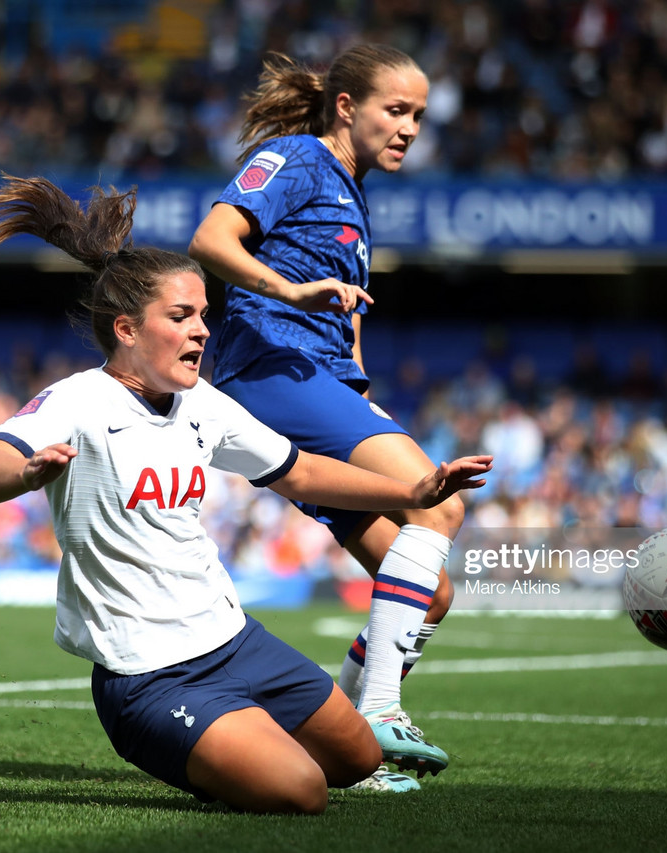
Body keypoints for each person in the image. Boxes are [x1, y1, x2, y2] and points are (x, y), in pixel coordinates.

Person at [0, 175, 492, 813]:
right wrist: (26, 472)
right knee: (303, 792)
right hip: (148, 675)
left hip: (236, 641)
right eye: (181, 317)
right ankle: (213, 748)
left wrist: (412, 488)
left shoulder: (202, 403)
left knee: (359, 760)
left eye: (204, 316)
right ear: (127, 329)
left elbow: (300, 472)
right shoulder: (78, 400)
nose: (202, 332)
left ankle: (240, 738)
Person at [188, 44, 463, 783]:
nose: (409, 128)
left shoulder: (354, 189)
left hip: (320, 382)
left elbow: (347, 313)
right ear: (347, 106)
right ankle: (377, 708)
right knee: (437, 509)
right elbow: (211, 238)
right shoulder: (300, 159)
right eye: (395, 110)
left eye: (419, 117)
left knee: (430, 589)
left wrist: (359, 392)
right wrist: (288, 289)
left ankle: (344, 749)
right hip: (272, 373)